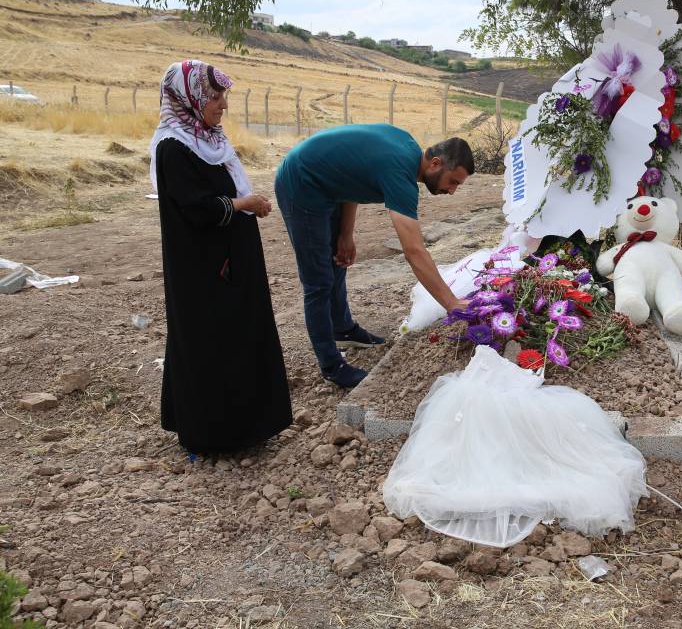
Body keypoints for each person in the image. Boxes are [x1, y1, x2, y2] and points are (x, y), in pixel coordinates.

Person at [151, 60, 292, 454]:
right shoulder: (173, 148)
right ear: (190, 97)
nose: (223, 104)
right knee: (209, 343)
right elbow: (196, 209)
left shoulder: (209, 139)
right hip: (202, 269)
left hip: (233, 258)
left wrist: (244, 204)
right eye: (214, 96)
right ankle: (209, 436)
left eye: (222, 95)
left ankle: (250, 427)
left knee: (243, 335)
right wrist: (243, 202)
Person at [275, 125, 473, 388]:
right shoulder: (400, 173)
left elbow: (350, 176)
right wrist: (451, 302)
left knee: (337, 263)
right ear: (436, 163)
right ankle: (332, 366)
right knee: (318, 281)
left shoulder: (408, 149)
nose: (452, 191)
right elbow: (413, 250)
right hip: (302, 184)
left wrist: (346, 234)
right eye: (453, 182)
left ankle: (342, 328)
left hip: (325, 183)